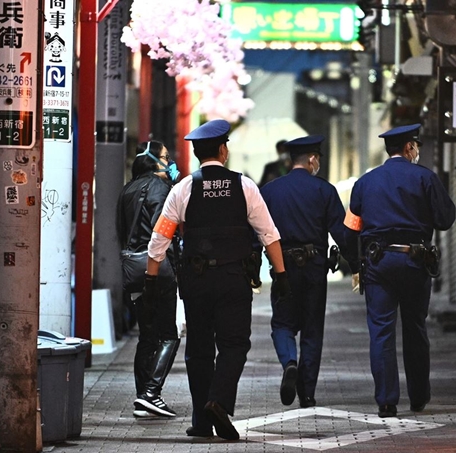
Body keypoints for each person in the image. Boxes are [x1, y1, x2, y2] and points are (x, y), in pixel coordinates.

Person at [144, 119, 289, 441]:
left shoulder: (184, 187)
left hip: (195, 280)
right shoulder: (244, 185)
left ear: (197, 154)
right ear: (223, 150)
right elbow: (269, 235)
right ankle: (218, 401)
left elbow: (160, 238)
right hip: (233, 277)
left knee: (198, 349)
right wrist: (281, 276)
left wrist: (151, 282)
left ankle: (202, 420)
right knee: (235, 344)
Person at [344, 123, 456, 418]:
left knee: (381, 330)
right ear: (409, 148)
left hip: (378, 262)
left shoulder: (365, 183)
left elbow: (351, 228)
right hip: (415, 261)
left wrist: (356, 266)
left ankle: (386, 400)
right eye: (416, 147)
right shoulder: (425, 178)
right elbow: (445, 219)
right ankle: (418, 396)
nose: (416, 151)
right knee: (415, 328)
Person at [259, 135, 359, 408]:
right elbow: (340, 232)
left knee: (282, 323)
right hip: (315, 267)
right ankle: (307, 392)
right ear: (313, 159)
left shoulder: (269, 191)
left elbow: (257, 231)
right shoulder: (324, 191)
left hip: (283, 267)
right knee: (313, 330)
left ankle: (289, 361)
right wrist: (358, 266)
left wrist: (251, 269)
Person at [115, 140, 182, 418]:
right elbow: (162, 230)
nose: (170, 162)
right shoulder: (161, 188)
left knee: (147, 335)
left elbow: (120, 231)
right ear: (155, 161)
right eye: (166, 157)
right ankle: (151, 393)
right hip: (157, 268)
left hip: (132, 267)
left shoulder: (127, 189)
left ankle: (144, 397)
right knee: (169, 335)